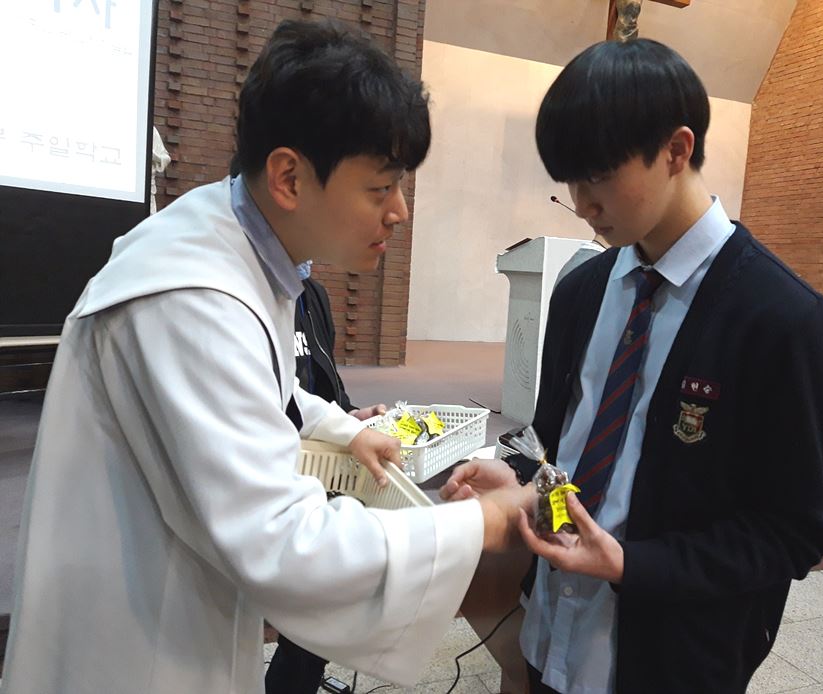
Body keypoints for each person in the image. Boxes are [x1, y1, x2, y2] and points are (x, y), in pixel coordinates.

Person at [0, 20, 533, 694]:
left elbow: (262, 381)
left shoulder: (233, 240)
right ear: (288, 176)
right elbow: (282, 543)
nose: (399, 212)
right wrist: (476, 525)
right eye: (381, 187)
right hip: (132, 639)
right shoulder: (192, 299)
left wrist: (343, 429)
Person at [441, 39, 823, 694]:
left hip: (670, 659)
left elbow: (790, 534)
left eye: (599, 176)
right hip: (548, 633)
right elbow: (560, 450)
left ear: (677, 150)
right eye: (570, 181)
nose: (582, 204)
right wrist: (520, 481)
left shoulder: (784, 321)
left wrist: (633, 564)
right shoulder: (580, 291)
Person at [265, 265, 386, 694]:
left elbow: (319, 387)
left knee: (320, 612)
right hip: (277, 475)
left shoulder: (312, 296)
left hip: (323, 471)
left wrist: (352, 419)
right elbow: (271, 398)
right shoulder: (252, 292)